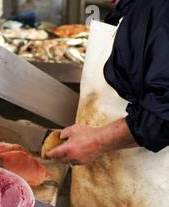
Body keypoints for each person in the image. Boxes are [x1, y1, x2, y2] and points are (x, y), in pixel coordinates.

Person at [47, 0, 169, 164]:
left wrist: (98, 141)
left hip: (150, 176)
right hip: (106, 170)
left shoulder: (160, 8)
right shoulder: (127, 8)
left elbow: (164, 107)